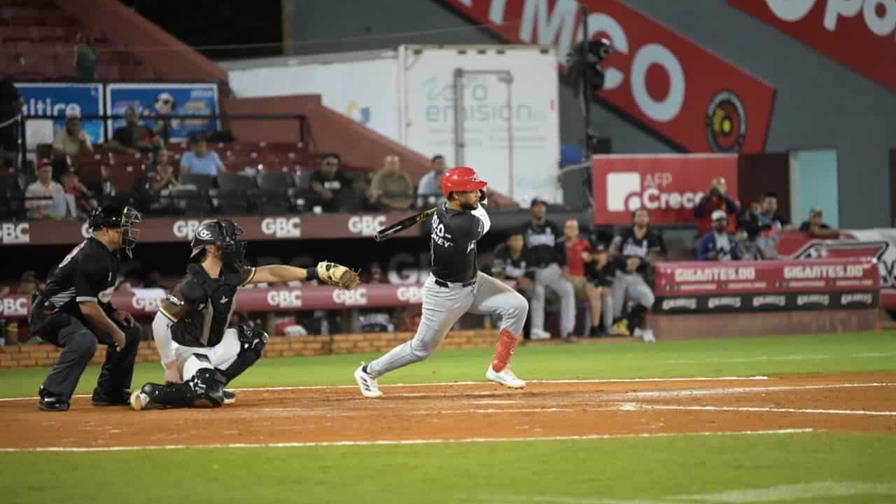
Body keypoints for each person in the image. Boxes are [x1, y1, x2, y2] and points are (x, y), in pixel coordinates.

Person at [130, 219, 359, 410]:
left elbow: (271, 273)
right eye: (227, 240)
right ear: (210, 248)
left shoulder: (230, 273)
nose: (234, 244)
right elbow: (160, 323)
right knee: (207, 395)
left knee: (255, 340)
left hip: (213, 345)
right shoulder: (192, 284)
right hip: (187, 350)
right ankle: (153, 393)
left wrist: (315, 272)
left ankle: (213, 385)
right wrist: (170, 366)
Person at [353, 167, 529, 398]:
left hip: (474, 282)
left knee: (517, 305)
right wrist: (482, 198)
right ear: (455, 195)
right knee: (420, 349)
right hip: (445, 295)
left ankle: (499, 368)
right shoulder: (462, 225)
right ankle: (368, 372)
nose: (477, 194)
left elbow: (473, 206)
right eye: (472, 190)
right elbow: (484, 219)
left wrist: (476, 194)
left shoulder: (445, 210)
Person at [28, 205, 143, 411]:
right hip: (49, 313)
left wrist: (113, 312)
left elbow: (97, 296)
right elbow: (88, 307)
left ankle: (110, 392)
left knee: (131, 331)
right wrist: (114, 332)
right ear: (105, 230)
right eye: (123, 227)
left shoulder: (108, 254)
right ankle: (52, 393)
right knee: (84, 339)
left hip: (73, 311)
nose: (128, 232)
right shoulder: (92, 256)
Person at [609, 208, 665, 343]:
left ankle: (626, 324)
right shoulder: (624, 233)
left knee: (649, 299)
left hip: (636, 276)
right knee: (615, 309)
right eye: (639, 215)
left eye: (645, 215)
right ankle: (615, 328)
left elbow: (655, 256)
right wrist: (626, 261)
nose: (642, 218)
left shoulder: (652, 236)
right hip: (619, 273)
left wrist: (640, 261)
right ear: (634, 219)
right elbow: (612, 251)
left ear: (648, 219)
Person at [523, 198, 574, 340]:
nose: (540, 209)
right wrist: (528, 274)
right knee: (538, 292)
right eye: (537, 206)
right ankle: (537, 330)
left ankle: (568, 330)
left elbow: (561, 248)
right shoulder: (525, 228)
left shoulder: (552, 226)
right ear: (532, 209)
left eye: (542, 207)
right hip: (534, 270)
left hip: (551, 269)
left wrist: (564, 266)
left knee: (567, 290)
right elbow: (523, 252)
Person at [584, 242, 615, 337]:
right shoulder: (588, 264)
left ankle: (608, 328)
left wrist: (601, 287)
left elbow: (607, 284)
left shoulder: (610, 265)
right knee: (591, 300)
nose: (601, 256)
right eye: (598, 253)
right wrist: (598, 267)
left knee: (608, 299)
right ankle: (588, 332)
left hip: (603, 291)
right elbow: (588, 280)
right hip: (589, 292)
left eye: (603, 253)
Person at [756, 192, 792, 259]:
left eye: (774, 203)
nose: (772, 205)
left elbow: (791, 226)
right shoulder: (756, 217)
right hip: (760, 249)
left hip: (777, 249)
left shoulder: (778, 218)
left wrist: (785, 228)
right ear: (762, 204)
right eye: (769, 203)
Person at [0, 76, 22, 168]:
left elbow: (20, 100)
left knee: (9, 144)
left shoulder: (7, 85)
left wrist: (20, 110)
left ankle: (10, 166)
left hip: (8, 122)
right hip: (7, 120)